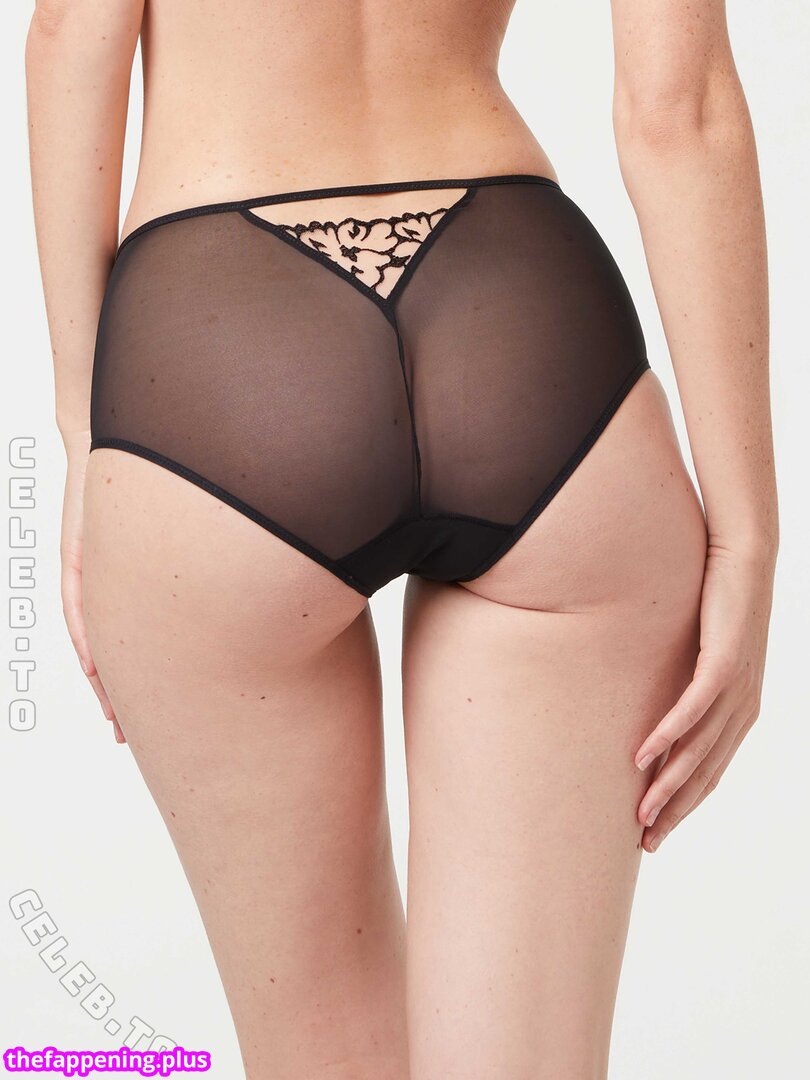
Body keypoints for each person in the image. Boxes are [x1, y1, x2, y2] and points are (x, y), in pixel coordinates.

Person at [25, 1, 778, 1077]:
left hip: (216, 345)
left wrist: (86, 428)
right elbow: (682, 109)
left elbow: (72, 33)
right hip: (522, 316)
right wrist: (746, 534)